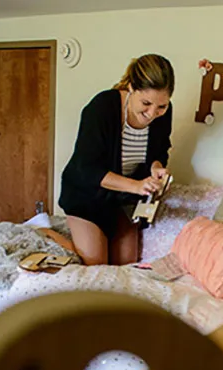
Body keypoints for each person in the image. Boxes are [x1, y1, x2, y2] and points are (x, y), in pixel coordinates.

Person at [59, 54, 175, 265]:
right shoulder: (102, 107)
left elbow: (160, 151)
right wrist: (137, 186)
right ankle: (48, 234)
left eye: (161, 106)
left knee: (126, 263)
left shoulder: (163, 114)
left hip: (120, 201)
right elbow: (87, 169)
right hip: (86, 196)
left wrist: (157, 168)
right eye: (146, 103)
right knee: (96, 263)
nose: (152, 114)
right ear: (131, 87)